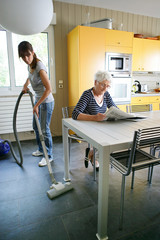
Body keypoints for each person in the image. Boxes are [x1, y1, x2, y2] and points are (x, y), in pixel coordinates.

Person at [18, 41, 54, 167]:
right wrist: (25, 85)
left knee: (44, 130)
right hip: (38, 101)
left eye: (28, 55)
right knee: (36, 126)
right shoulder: (31, 66)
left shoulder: (39, 66)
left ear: (32, 52)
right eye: (23, 57)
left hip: (46, 102)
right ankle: (41, 149)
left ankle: (48, 155)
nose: (26, 59)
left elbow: (49, 89)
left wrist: (37, 105)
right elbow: (30, 76)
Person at [72, 70, 117, 170]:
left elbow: (114, 109)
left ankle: (92, 153)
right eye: (103, 85)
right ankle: (95, 156)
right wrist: (95, 118)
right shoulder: (87, 95)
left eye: (108, 86)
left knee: (113, 135)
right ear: (95, 82)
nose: (105, 88)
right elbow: (75, 114)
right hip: (88, 127)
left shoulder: (106, 95)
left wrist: (120, 114)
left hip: (101, 127)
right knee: (105, 137)